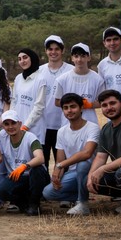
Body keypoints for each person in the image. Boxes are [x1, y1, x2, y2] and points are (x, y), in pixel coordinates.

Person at [42, 93, 100, 216]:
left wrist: (60, 165)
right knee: (48, 192)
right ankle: (81, 194)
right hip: (73, 173)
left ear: (81, 108)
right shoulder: (62, 131)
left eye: (73, 107)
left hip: (91, 171)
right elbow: (60, 159)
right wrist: (57, 175)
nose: (69, 110)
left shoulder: (92, 128)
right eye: (66, 108)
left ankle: (82, 203)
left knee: (83, 164)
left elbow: (87, 153)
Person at [0, 110, 48, 216]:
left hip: (34, 176)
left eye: (13, 123)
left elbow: (40, 158)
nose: (10, 127)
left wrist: (24, 166)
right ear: (3, 126)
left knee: (37, 170)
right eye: (6, 124)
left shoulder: (30, 137)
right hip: (17, 177)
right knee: (1, 191)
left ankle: (34, 204)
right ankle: (23, 203)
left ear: (20, 123)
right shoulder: (2, 135)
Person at [39, 35, 73, 169]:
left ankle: (62, 189)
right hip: (43, 126)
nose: (53, 52)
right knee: (43, 163)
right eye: (50, 49)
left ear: (63, 50)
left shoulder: (71, 70)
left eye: (57, 49)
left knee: (63, 163)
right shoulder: (39, 71)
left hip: (64, 125)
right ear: (46, 51)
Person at [54, 43, 105, 127]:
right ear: (72, 58)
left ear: (89, 57)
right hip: (68, 125)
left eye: (83, 56)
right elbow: (57, 102)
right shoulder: (62, 79)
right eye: (76, 56)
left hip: (90, 124)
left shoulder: (98, 79)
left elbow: (101, 102)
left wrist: (90, 105)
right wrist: (74, 104)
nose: (79, 59)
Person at [10, 49, 48, 147]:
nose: (22, 61)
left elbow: (39, 107)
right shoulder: (18, 78)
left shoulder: (40, 79)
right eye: (19, 59)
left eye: (25, 57)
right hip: (17, 128)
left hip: (34, 129)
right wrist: (12, 121)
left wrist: (25, 126)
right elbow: (14, 101)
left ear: (32, 58)